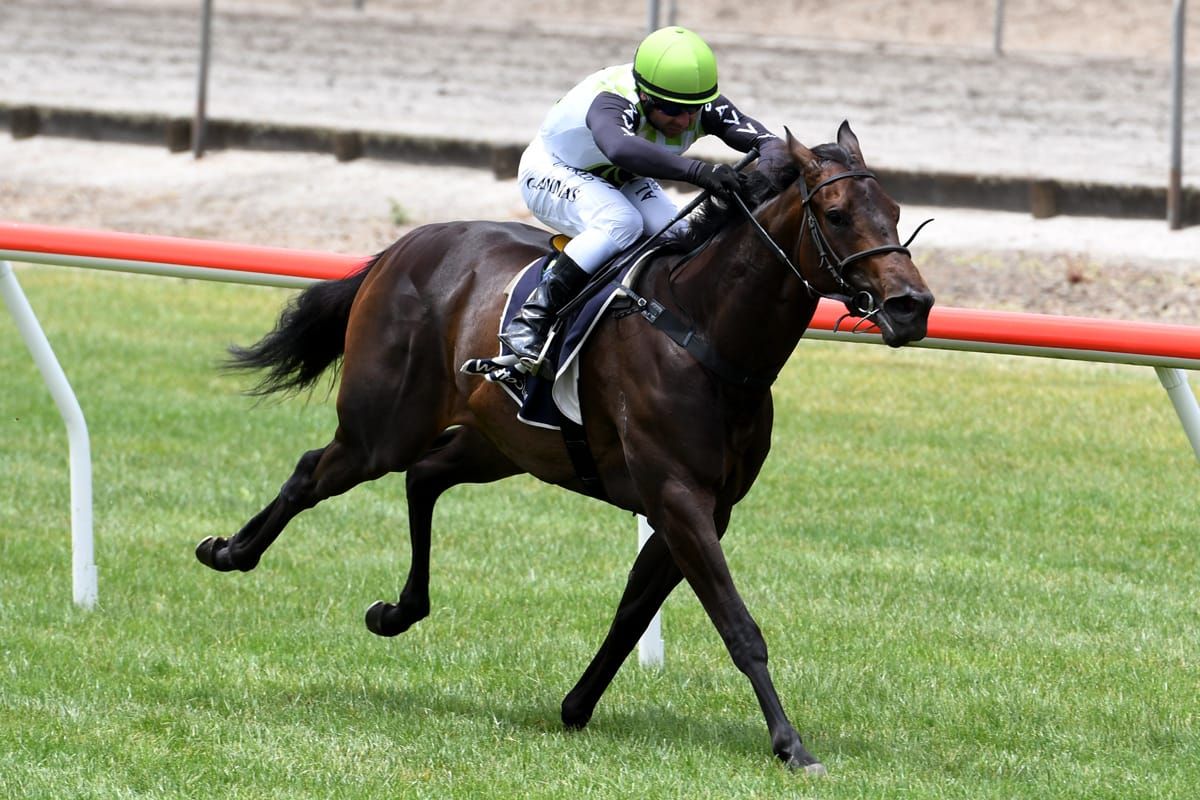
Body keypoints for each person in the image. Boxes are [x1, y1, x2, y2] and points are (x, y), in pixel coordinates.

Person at [497, 25, 791, 373]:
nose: (684, 121)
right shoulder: (611, 99)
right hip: (552, 169)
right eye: (672, 110)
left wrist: (761, 179)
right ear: (646, 96)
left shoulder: (698, 105)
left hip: (619, 176)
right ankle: (530, 319)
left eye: (693, 110)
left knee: (679, 235)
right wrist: (699, 172)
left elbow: (773, 145)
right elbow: (619, 147)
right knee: (620, 222)